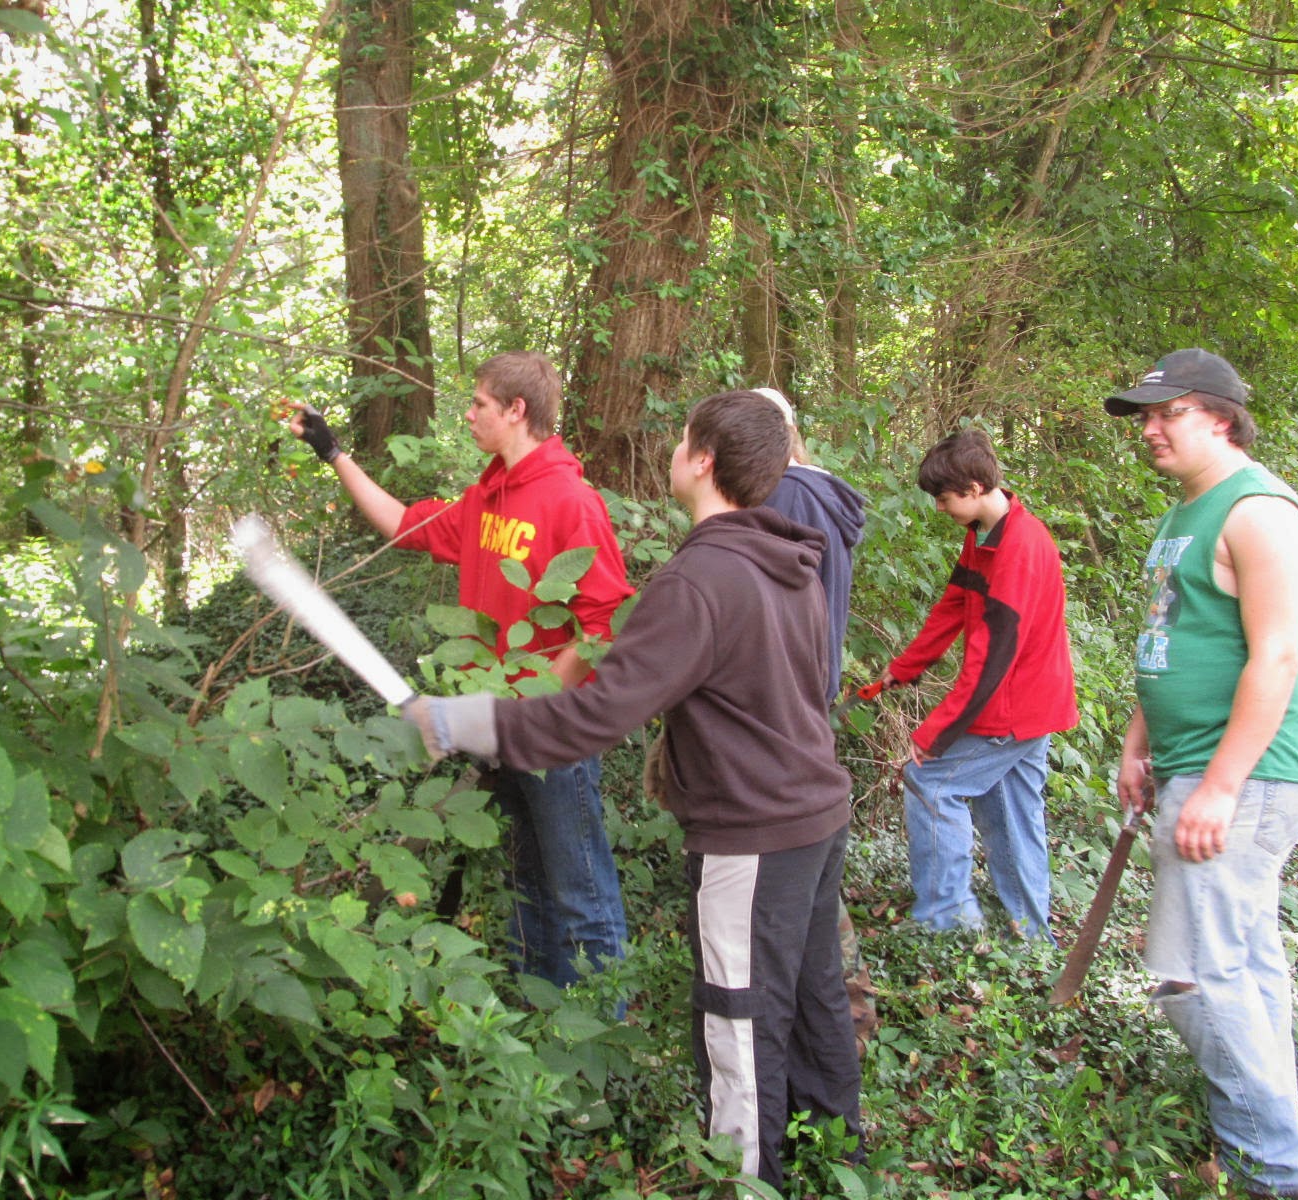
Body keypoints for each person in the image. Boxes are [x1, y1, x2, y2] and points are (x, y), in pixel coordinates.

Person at [406, 390, 863, 1190]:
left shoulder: (700, 580)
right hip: (816, 817)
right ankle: (837, 1156)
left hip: (752, 835)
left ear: (703, 461)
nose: (673, 450)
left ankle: (745, 1182)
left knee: (739, 1019)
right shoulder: (790, 556)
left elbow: (592, 717)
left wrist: (466, 722)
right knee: (814, 994)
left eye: (682, 439)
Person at [290, 351, 631, 989]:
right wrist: (334, 453)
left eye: (478, 404)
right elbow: (401, 523)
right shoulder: (487, 498)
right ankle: (542, 1020)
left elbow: (602, 624)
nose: (468, 414)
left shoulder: (571, 502)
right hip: (495, 727)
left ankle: (602, 1048)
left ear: (516, 411)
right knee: (527, 884)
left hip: (552, 733)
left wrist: (533, 708)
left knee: (582, 896)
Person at [1105, 348, 1298, 1199]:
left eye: (1167, 414)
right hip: (1193, 764)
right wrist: (1139, 740)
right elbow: (1175, 637)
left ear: (1222, 419)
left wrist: (1222, 786)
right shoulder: (1187, 513)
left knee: (1194, 973)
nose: (1150, 430)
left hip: (1252, 777)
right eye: (1146, 416)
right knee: (1242, 962)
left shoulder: (1260, 512)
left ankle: (1273, 1170)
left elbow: (1275, 656)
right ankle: (1272, 1138)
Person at [879, 428, 1077, 940]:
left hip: (1015, 706)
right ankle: (1032, 934)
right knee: (1010, 813)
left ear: (971, 488)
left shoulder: (1019, 550)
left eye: (944, 499)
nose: (940, 508)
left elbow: (989, 665)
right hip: (1029, 703)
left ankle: (946, 923)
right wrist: (905, 666)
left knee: (929, 782)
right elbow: (952, 607)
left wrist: (935, 734)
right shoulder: (984, 535)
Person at [754, 388, 877, 1043]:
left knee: (800, 880)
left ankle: (841, 1020)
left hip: (789, 711)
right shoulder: (814, 492)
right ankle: (840, 1019)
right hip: (805, 704)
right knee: (811, 872)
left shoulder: (791, 498)